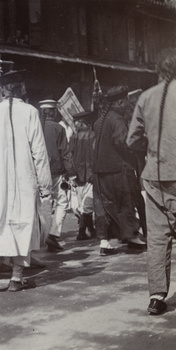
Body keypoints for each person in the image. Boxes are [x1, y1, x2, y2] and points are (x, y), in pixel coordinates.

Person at [0, 70, 52, 292]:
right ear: (22, 88)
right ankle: (16, 278)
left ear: (2, 90)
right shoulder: (30, 112)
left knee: (0, 219)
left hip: (0, 178)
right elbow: (39, 151)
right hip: (25, 177)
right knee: (24, 223)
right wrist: (46, 185)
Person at [127, 47, 176, 316]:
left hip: (154, 177)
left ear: (159, 70)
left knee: (157, 237)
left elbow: (132, 139)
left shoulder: (146, 97)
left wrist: (152, 148)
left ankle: (157, 297)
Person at [93, 86, 146, 255]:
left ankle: (104, 242)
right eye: (126, 103)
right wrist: (138, 148)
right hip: (119, 169)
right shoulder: (117, 119)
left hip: (101, 170)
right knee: (127, 203)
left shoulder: (99, 120)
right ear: (120, 102)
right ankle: (131, 238)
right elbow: (123, 142)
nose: (127, 106)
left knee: (106, 206)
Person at [39, 99, 75, 251]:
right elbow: (65, 152)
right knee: (62, 202)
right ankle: (52, 235)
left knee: (43, 204)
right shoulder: (58, 129)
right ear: (52, 111)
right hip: (56, 172)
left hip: (38, 171)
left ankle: (42, 236)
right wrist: (71, 173)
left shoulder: (36, 127)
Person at [69, 110, 97, 240]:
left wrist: (71, 173)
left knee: (82, 204)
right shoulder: (93, 136)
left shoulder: (73, 138)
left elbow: (69, 156)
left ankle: (88, 230)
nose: (74, 125)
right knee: (88, 204)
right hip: (91, 175)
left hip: (77, 175)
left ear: (81, 123)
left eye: (76, 123)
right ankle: (83, 231)